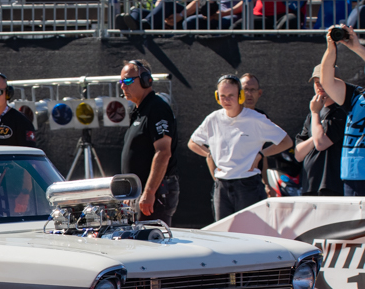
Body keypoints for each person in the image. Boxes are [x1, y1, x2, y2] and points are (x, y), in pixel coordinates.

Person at [187, 75, 294, 220]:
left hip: (248, 186)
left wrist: (261, 154)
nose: (226, 100)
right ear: (217, 96)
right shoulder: (213, 119)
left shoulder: (255, 118)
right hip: (221, 187)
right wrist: (209, 155)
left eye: (231, 95)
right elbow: (193, 143)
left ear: (240, 96)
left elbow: (286, 142)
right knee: (222, 231)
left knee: (249, 231)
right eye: (222, 96)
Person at [118, 60, 180, 225]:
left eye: (127, 81)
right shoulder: (138, 111)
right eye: (121, 82)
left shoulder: (157, 108)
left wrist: (150, 192)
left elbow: (163, 152)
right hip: (138, 193)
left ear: (146, 80)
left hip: (155, 193)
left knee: (152, 238)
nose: (123, 86)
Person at [319, 25, 365, 195]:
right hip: (354, 174)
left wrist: (358, 48)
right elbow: (327, 81)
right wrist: (331, 48)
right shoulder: (356, 96)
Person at [295, 64, 346, 196]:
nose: (319, 86)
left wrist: (315, 112)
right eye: (316, 82)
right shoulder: (312, 114)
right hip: (310, 186)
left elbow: (321, 143)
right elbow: (298, 154)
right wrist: (316, 135)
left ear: (336, 83)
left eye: (323, 81)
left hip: (331, 187)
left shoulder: (342, 112)